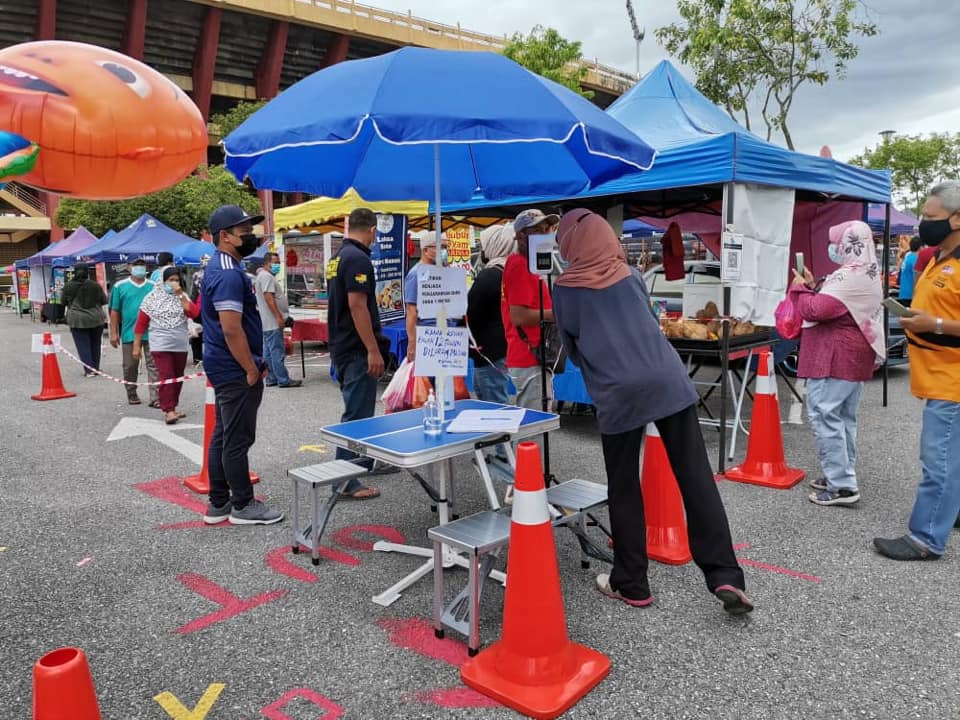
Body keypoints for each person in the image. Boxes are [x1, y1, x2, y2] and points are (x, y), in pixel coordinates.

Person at [551, 208, 752, 615]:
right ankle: (725, 574)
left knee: (624, 485)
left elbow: (571, 348)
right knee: (695, 478)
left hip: (617, 390)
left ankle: (632, 582)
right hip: (667, 379)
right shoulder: (631, 276)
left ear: (570, 243)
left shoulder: (565, 289)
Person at [874, 181, 960, 560]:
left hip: (952, 380)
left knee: (938, 461)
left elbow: (942, 320)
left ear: (957, 219)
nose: (923, 224)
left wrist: (934, 325)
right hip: (938, 373)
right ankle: (951, 512)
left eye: (930, 217)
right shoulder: (939, 255)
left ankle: (925, 538)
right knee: (951, 456)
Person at [789, 220, 885, 507]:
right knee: (843, 418)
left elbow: (816, 309)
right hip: (853, 355)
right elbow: (836, 303)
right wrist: (813, 284)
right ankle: (841, 474)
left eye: (836, 241)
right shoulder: (866, 270)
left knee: (824, 415)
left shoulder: (849, 276)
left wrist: (800, 290)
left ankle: (842, 486)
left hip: (835, 356)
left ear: (848, 242)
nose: (832, 247)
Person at [200, 204, 283, 526]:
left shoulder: (222, 267)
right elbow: (231, 327)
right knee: (237, 439)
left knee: (224, 435)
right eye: (244, 232)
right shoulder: (229, 273)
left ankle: (219, 501)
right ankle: (243, 505)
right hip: (234, 367)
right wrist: (250, 367)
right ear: (225, 236)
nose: (251, 237)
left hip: (223, 363)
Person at [325, 207, 386, 500]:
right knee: (358, 416)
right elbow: (357, 305)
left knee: (355, 412)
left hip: (341, 344)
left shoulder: (338, 257)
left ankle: (350, 474)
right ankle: (347, 480)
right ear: (373, 230)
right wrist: (373, 349)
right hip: (357, 347)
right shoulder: (358, 258)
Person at [502, 208, 559, 410]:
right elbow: (518, 316)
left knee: (537, 421)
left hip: (533, 355)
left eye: (547, 228)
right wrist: (558, 314)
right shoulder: (519, 265)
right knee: (536, 426)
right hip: (528, 356)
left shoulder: (530, 264)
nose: (545, 234)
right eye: (537, 230)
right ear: (520, 236)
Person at [132, 267, 199, 424]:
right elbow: (141, 324)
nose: (173, 283)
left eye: (176, 280)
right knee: (167, 376)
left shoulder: (182, 296)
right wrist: (136, 346)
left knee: (177, 377)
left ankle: (173, 406)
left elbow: (194, 313)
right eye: (170, 280)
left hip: (180, 344)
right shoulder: (151, 298)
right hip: (160, 343)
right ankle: (168, 410)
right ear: (163, 281)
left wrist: (180, 294)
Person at [468, 223, 514, 404]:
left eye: (484, 245)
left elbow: (470, 310)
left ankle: (501, 434)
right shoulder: (509, 270)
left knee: (492, 405)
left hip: (489, 352)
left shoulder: (490, 276)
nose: (482, 250)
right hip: (499, 348)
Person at [109, 258, 160, 407]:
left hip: (152, 332)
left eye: (142, 265)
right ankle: (132, 392)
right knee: (130, 365)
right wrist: (113, 332)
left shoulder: (154, 286)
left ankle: (155, 397)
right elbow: (115, 311)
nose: (139, 268)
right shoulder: (120, 286)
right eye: (136, 265)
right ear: (129, 267)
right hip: (129, 332)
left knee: (154, 365)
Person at [254, 252, 300, 388]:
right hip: (272, 322)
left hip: (267, 322)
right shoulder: (267, 277)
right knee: (277, 352)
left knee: (268, 352)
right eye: (275, 262)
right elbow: (269, 298)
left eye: (279, 262)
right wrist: (279, 316)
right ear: (267, 263)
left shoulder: (262, 276)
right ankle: (283, 379)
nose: (278, 265)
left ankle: (271, 377)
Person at [404, 230, 449, 364]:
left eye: (446, 248)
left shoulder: (443, 271)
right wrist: (412, 343)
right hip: (427, 338)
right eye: (441, 247)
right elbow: (411, 311)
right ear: (425, 250)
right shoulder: (415, 274)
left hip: (447, 337)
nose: (444, 252)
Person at [62, 263, 107, 377]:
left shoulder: (68, 286)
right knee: (95, 344)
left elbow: (63, 302)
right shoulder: (95, 285)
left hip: (78, 319)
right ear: (87, 272)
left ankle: (89, 370)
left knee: (83, 345)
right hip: (96, 318)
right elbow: (103, 300)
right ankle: (95, 368)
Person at [898, 237, 922, 307]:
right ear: (920, 247)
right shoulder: (915, 259)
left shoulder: (907, 256)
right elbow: (916, 277)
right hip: (911, 294)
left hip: (903, 292)